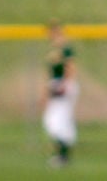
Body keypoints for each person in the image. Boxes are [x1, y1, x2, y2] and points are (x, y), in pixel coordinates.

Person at [41, 20, 78, 168]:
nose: (51, 35)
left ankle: (62, 156)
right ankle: (62, 154)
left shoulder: (65, 48)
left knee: (56, 121)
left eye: (54, 32)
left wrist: (65, 85)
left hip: (63, 86)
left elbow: (71, 68)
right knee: (56, 121)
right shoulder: (54, 49)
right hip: (56, 85)